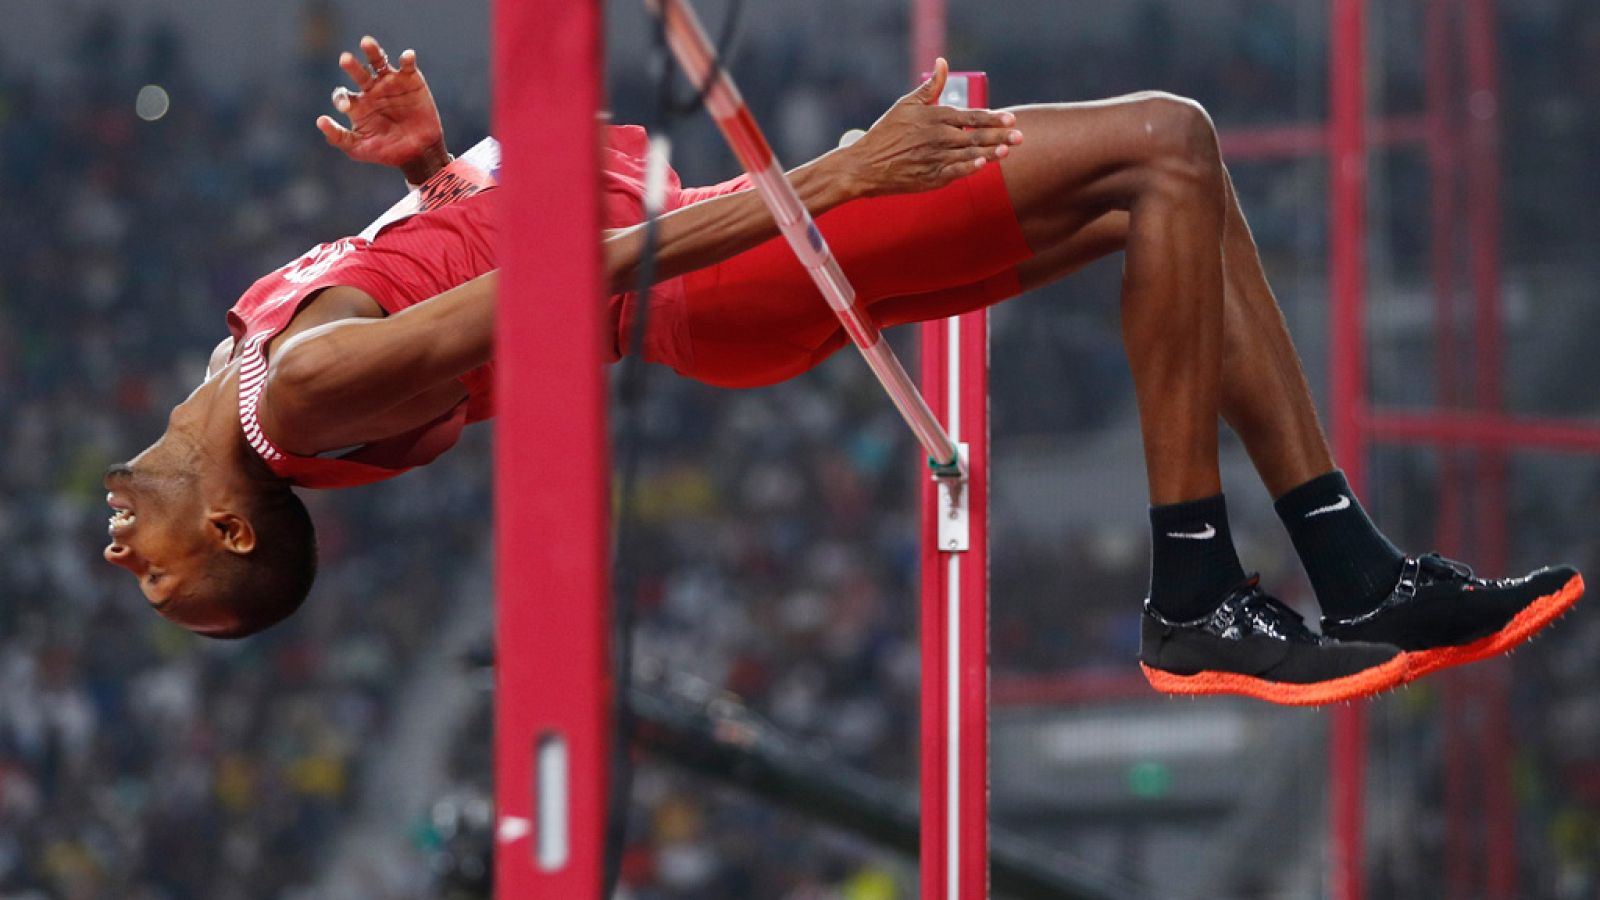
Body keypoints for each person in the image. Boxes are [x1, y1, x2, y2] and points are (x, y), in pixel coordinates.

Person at [103, 38, 1582, 705]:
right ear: (234, 527)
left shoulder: (257, 360)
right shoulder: (293, 405)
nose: (123, 555)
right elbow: (568, 285)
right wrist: (842, 172)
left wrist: (432, 170)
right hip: (717, 262)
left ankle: (1352, 563)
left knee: (1169, 185)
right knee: (1165, 138)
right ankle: (1197, 594)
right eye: (160, 581)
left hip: (701, 259)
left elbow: (484, 279)